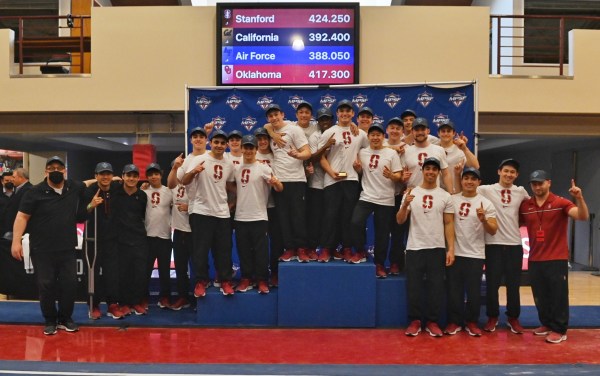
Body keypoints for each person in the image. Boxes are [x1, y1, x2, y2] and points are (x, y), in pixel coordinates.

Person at [11, 156, 87, 335]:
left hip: (67, 248)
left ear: (64, 171)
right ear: (46, 171)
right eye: (51, 168)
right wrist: (16, 241)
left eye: (59, 168)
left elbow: (88, 182)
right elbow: (22, 217)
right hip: (42, 249)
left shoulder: (72, 187)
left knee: (69, 284)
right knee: (46, 285)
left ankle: (66, 318)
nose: (55, 171)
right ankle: (50, 320)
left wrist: (113, 179)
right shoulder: (34, 192)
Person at [520, 171, 588, 344]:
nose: (537, 186)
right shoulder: (526, 205)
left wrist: (579, 198)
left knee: (558, 296)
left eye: (540, 183)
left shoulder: (560, 202)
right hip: (535, 259)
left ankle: (559, 329)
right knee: (540, 296)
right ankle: (547, 324)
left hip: (556, 258)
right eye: (534, 184)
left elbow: (582, 216)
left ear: (548, 183)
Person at [396, 157, 455, 337]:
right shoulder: (411, 193)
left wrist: (450, 249)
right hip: (415, 247)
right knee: (413, 287)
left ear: (438, 172)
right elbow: (400, 220)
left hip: (436, 247)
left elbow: (449, 223)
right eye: (427, 168)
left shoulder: (445, 196)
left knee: (436, 287)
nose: (430, 172)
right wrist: (405, 204)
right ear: (422, 171)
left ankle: (432, 321)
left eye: (434, 169)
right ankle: (414, 321)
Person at [182, 129, 236, 297]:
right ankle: (201, 281)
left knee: (224, 249)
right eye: (216, 142)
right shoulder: (199, 159)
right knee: (200, 250)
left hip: (222, 212)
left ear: (226, 145)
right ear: (210, 143)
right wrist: (193, 172)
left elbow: (230, 185)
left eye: (222, 143)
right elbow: (184, 181)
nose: (219, 145)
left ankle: (225, 280)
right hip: (201, 211)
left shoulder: (228, 163)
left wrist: (235, 201)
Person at [478, 158, 529, 334]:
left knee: (513, 285)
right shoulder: (485, 189)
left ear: (517, 175)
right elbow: (465, 191)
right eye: (506, 171)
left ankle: (513, 318)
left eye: (512, 172)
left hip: (514, 244)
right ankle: (493, 317)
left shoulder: (521, 191)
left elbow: (533, 206)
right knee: (492, 284)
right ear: (499, 171)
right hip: (493, 244)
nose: (509, 174)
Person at [446, 167, 497, 337]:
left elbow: (493, 230)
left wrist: (483, 220)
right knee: (454, 290)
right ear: (461, 181)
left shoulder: (486, 203)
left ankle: (472, 322)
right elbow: (446, 224)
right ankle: (454, 322)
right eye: (466, 178)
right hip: (455, 252)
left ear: (478, 183)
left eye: (473, 179)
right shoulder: (452, 200)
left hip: (475, 254)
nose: (469, 181)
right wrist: (450, 249)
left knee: (474, 291)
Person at [318, 99, 369, 263]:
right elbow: (321, 158)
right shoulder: (329, 132)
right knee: (330, 216)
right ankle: (327, 248)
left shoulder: (361, 134)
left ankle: (347, 248)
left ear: (353, 114)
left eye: (349, 111)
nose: (345, 114)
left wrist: (360, 166)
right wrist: (331, 172)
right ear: (337, 114)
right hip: (332, 180)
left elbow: (369, 152)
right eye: (342, 111)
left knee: (348, 216)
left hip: (352, 179)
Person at [351, 124, 403, 278]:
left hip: (386, 199)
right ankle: (360, 250)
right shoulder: (362, 152)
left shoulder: (391, 153)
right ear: (368, 137)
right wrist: (359, 169)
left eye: (378, 135)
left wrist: (391, 176)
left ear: (383, 137)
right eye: (372, 135)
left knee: (382, 234)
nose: (375, 137)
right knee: (355, 222)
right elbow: (361, 171)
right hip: (367, 195)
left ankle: (380, 264)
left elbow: (399, 175)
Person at [233, 135, 283, 294]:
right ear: (241, 149)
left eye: (251, 148)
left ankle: (262, 279)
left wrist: (276, 184)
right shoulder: (236, 168)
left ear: (256, 150)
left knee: (261, 251)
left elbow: (279, 187)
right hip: (240, 216)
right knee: (244, 250)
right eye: (246, 147)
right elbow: (229, 185)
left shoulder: (263, 167)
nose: (248, 151)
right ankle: (246, 278)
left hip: (259, 216)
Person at [263, 103, 311, 262]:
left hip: (296, 180)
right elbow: (266, 126)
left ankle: (302, 248)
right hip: (279, 181)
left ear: (283, 114)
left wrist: (298, 155)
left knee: (298, 216)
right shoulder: (270, 131)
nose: (274, 118)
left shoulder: (294, 129)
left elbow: (307, 152)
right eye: (270, 116)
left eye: (276, 114)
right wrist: (272, 132)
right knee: (283, 217)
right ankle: (290, 248)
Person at [83, 162, 121, 320]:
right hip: (93, 240)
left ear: (112, 176)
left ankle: (112, 304)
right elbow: (81, 213)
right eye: (102, 174)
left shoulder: (117, 190)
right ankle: (94, 305)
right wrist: (91, 205)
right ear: (96, 175)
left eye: (108, 174)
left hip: (112, 239)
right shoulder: (88, 191)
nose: (105, 177)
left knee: (112, 274)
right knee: (92, 274)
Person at [112, 164, 148, 316]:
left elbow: (143, 216)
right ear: (123, 176)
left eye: (134, 176)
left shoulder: (142, 196)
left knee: (138, 273)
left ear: (138, 178)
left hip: (139, 239)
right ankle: (124, 303)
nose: (131, 178)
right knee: (123, 274)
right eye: (128, 175)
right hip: (120, 240)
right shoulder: (115, 193)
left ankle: (136, 302)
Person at [254, 127, 284, 286]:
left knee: (277, 241)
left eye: (265, 138)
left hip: (274, 203)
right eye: (259, 139)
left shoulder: (276, 155)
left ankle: (275, 273)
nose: (263, 142)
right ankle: (257, 276)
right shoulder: (251, 155)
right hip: (256, 207)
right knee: (258, 244)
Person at [305, 107, 335, 261]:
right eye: (322, 119)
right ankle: (311, 247)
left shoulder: (338, 133)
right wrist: (325, 146)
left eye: (327, 119)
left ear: (332, 120)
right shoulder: (315, 136)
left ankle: (330, 248)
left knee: (332, 218)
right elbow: (311, 159)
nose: (325, 122)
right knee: (315, 218)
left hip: (334, 182)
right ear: (318, 121)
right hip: (316, 183)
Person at [143, 163, 173, 310]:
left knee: (165, 270)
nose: (153, 177)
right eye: (150, 174)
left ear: (161, 175)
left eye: (156, 174)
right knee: (145, 270)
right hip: (148, 237)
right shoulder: (143, 192)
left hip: (164, 237)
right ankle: (143, 298)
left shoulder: (169, 191)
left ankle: (165, 297)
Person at [167, 156, 193, 310]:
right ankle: (183, 297)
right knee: (180, 268)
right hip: (178, 232)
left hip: (195, 232)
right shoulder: (171, 188)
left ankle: (198, 299)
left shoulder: (196, 183)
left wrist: (190, 208)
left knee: (197, 268)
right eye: (176, 169)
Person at [384, 117, 409, 274]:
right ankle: (380, 262)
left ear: (402, 132)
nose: (394, 131)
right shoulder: (379, 143)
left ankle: (395, 263)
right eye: (391, 128)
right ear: (387, 130)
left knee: (399, 233)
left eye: (398, 129)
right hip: (381, 196)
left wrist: (406, 184)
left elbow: (411, 170)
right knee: (382, 232)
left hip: (400, 195)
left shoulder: (408, 148)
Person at [402, 117, 452, 192]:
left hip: (434, 194)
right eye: (417, 130)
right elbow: (401, 177)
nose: (420, 133)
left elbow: (446, 174)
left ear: (428, 131)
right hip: (412, 194)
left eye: (422, 129)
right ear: (412, 132)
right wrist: (402, 179)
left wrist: (450, 192)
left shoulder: (439, 150)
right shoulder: (406, 151)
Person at [436, 120, 479, 192]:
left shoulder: (460, 149)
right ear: (438, 134)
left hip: (455, 192)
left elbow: (476, 166)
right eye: (443, 131)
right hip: (437, 192)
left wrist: (465, 148)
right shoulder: (433, 148)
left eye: (448, 131)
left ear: (454, 133)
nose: (446, 133)